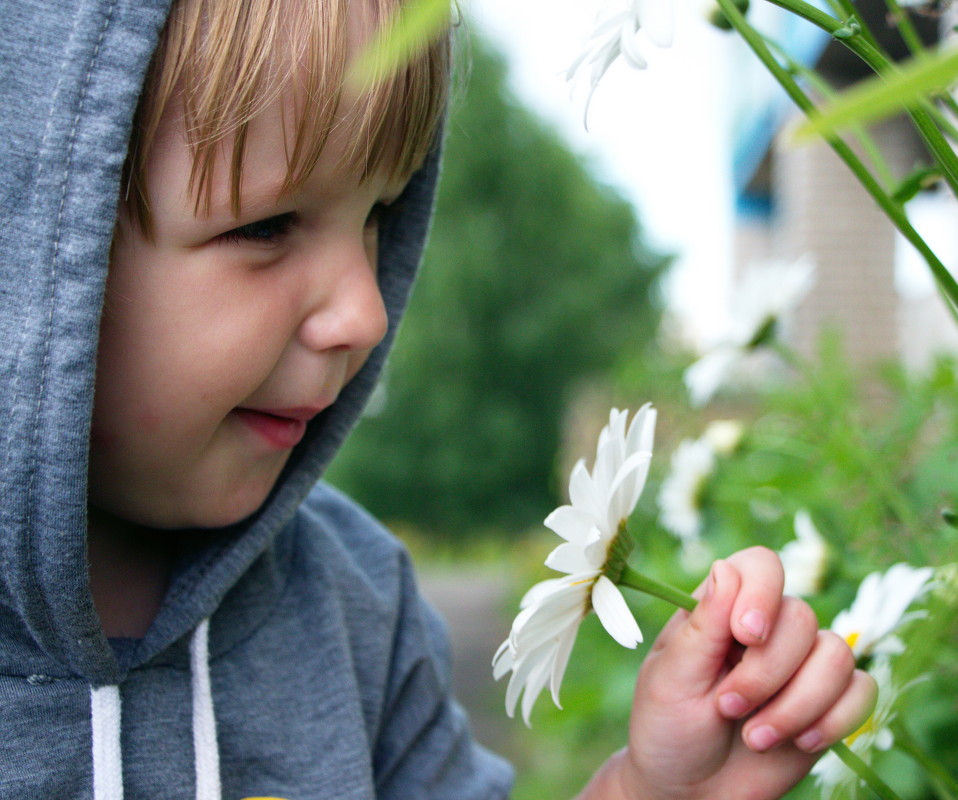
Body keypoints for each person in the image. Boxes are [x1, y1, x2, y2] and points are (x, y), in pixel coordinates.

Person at [0, 0, 876, 797]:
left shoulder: (355, 605)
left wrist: (656, 790)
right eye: (265, 226)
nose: (366, 313)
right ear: (33, 245)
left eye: (379, 214)